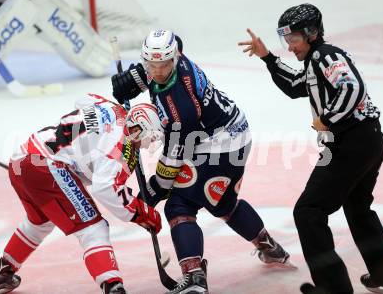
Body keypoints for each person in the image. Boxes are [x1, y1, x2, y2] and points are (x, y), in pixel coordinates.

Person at [111, 29, 293, 294]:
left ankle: (195, 277)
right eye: (152, 64)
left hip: (221, 146)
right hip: (230, 133)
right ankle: (270, 248)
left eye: (163, 65)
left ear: (175, 58)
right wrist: (137, 76)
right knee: (222, 203)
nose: (158, 71)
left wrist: (155, 187)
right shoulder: (173, 56)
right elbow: (171, 46)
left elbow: (175, 156)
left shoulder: (180, 104)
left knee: (178, 205)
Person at [238, 3, 383, 294]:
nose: (290, 46)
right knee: (358, 208)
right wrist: (267, 57)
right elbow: (296, 85)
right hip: (364, 140)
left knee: (308, 211)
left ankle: (333, 288)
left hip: (351, 143)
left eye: (293, 39)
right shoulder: (315, 61)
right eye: (286, 40)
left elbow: (351, 88)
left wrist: (327, 118)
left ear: (312, 32)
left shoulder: (324, 54)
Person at [0, 94, 163, 294]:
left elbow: (83, 99)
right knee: (93, 228)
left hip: (22, 158)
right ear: (137, 129)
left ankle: (3, 274)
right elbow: (106, 188)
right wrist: (142, 213)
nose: (148, 145)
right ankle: (114, 287)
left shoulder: (108, 105)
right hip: (48, 166)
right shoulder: (119, 148)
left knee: (40, 222)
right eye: (149, 137)